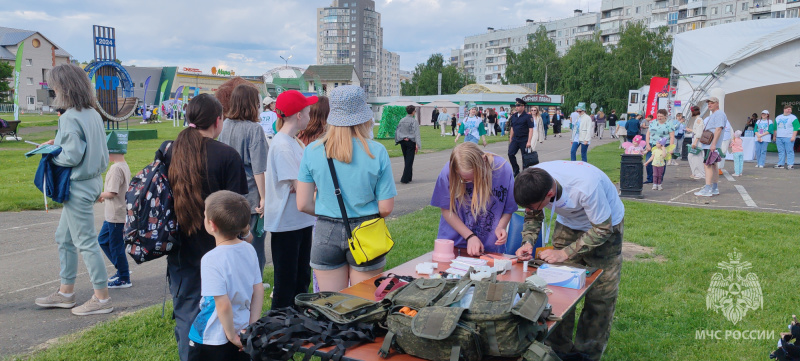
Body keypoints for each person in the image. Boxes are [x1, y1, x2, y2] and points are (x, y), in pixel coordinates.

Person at [514, 163, 624, 361]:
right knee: (556, 290)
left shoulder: (586, 186)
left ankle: (588, 354)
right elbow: (533, 213)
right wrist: (527, 241)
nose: (529, 210)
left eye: (533, 205)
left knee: (601, 297)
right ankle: (558, 350)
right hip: (568, 224)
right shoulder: (533, 178)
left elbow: (602, 229)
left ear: (549, 193)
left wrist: (564, 253)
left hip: (605, 226)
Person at [166, 94, 248, 361]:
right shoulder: (227, 156)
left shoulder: (169, 150)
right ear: (217, 120)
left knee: (188, 312)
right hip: (221, 248)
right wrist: (244, 236)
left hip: (182, 249)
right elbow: (237, 207)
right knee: (227, 310)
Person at [296, 85, 397, 292]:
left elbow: (303, 203)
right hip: (366, 231)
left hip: (326, 231)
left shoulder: (312, 151)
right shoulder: (376, 152)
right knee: (363, 304)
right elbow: (386, 208)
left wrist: (329, 209)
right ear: (364, 116)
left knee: (331, 307)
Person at [34, 63, 113, 316]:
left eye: (54, 86)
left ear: (63, 88)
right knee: (64, 238)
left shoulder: (68, 117)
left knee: (85, 241)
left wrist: (50, 154)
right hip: (92, 180)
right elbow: (83, 146)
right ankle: (66, 292)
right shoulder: (92, 112)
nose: (52, 90)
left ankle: (102, 298)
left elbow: (71, 156)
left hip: (77, 184)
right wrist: (57, 142)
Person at [187, 191, 264, 361]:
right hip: (243, 329)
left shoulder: (211, 259)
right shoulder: (249, 249)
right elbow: (258, 290)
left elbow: (222, 304)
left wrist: (231, 336)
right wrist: (252, 326)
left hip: (212, 336)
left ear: (211, 224)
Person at [264, 90, 319, 310]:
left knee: (301, 277)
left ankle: (297, 324)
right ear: (298, 115)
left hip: (301, 220)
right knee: (286, 283)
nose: (310, 115)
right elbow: (299, 185)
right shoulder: (282, 145)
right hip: (286, 224)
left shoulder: (293, 142)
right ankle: (278, 328)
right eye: (307, 111)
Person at [217, 84, 269, 273]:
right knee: (254, 246)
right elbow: (259, 168)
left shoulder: (224, 126)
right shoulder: (254, 130)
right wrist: (264, 198)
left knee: (231, 245)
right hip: (250, 197)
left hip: (227, 196)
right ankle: (254, 284)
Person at [431, 142, 516, 255]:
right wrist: (470, 236)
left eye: (476, 177)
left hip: (489, 248)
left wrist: (501, 227)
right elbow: (446, 209)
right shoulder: (448, 172)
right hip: (453, 246)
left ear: (484, 160)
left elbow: (508, 208)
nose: (472, 183)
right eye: (465, 180)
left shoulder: (503, 170)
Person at [98, 132, 132, 289]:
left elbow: (112, 193)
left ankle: (124, 276)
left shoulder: (116, 169)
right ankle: (122, 269)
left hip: (116, 215)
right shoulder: (123, 165)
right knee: (103, 240)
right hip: (114, 213)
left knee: (116, 246)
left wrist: (98, 195)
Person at [694, 97, 727, 197]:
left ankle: (708, 188)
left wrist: (713, 144)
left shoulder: (719, 114)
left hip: (710, 144)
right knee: (713, 165)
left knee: (707, 165)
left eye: (712, 103)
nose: (709, 105)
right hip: (711, 144)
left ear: (717, 103)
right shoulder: (715, 114)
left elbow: (718, 129)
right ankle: (714, 188)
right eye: (708, 103)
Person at [644, 109, 676, 184]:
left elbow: (672, 136)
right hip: (652, 143)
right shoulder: (653, 122)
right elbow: (648, 134)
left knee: (660, 162)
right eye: (658, 116)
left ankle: (659, 179)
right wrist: (647, 144)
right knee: (648, 161)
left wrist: (671, 148)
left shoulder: (669, 124)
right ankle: (650, 178)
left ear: (665, 116)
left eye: (661, 116)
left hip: (663, 145)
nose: (659, 118)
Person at [395, 105, 421, 184]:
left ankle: (409, 176)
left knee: (407, 159)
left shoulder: (402, 120)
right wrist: (418, 144)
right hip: (410, 141)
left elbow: (398, 131)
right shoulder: (414, 121)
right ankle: (405, 178)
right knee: (409, 160)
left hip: (403, 141)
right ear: (413, 112)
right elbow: (417, 133)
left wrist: (399, 139)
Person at [507, 99, 534, 176]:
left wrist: (529, 141)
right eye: (516, 105)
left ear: (523, 106)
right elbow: (512, 128)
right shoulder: (514, 116)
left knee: (525, 156)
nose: (517, 107)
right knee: (510, 153)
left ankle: (525, 172)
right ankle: (516, 170)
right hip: (515, 139)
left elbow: (531, 129)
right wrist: (511, 138)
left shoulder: (528, 116)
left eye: (518, 105)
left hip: (524, 139)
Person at [774, 104, 799, 169]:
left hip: (788, 137)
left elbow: (796, 128)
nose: (789, 111)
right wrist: (775, 136)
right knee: (781, 151)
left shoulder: (793, 117)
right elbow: (775, 128)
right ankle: (780, 164)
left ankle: (790, 164)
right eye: (788, 109)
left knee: (789, 151)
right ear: (784, 109)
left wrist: (793, 136)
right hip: (779, 137)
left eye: (790, 109)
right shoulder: (778, 117)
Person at [686, 106, 707, 179]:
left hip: (697, 141)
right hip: (696, 140)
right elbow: (698, 131)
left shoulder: (699, 120)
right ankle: (696, 173)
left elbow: (699, 132)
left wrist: (695, 142)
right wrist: (691, 130)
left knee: (695, 157)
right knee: (695, 156)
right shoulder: (698, 120)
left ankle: (699, 173)